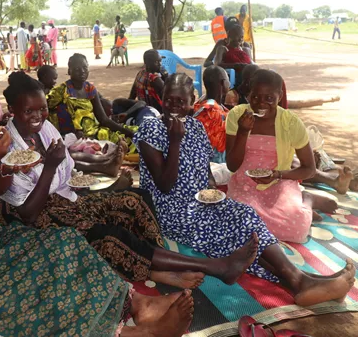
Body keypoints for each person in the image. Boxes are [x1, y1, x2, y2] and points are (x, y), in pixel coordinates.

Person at [0, 75, 196, 337]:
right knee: (25, 290)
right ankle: (130, 334)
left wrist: (1, 168)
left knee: (63, 243)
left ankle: (139, 304)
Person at [0, 71, 282, 289]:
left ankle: (160, 265)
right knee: (111, 236)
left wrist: (82, 181)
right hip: (43, 218)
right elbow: (26, 213)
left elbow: (68, 172)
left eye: (42, 109)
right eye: (29, 111)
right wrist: (50, 168)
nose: (38, 116)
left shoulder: (47, 129)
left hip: (70, 200)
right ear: (11, 108)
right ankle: (212, 266)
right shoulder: (6, 147)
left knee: (136, 201)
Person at [134, 72, 356, 307]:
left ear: (192, 100)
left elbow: (204, 171)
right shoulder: (151, 130)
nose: (174, 106)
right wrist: (175, 140)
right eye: (169, 100)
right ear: (162, 98)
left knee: (246, 215)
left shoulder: (197, 128)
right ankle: (301, 281)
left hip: (201, 202)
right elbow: (164, 185)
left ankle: (304, 280)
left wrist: (211, 188)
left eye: (181, 101)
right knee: (235, 234)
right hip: (170, 211)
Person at [226, 69, 341, 242]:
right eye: (255, 97)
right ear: (249, 95)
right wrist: (243, 132)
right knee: (238, 223)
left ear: (279, 96)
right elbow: (232, 166)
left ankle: (307, 200)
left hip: (281, 180)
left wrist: (278, 175)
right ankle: (300, 202)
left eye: (269, 98)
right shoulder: (236, 115)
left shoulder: (291, 122)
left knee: (296, 229)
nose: (261, 104)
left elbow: (309, 169)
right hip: (244, 182)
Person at [48, 53, 135, 147]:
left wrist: (128, 132)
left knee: (135, 133)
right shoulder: (61, 91)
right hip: (76, 139)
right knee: (124, 144)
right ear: (69, 71)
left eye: (85, 68)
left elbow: (103, 119)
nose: (82, 71)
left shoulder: (89, 89)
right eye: (77, 69)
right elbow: (45, 110)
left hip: (96, 133)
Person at [193, 66, 230, 163]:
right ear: (223, 83)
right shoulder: (214, 112)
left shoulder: (199, 104)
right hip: (214, 165)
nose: (229, 84)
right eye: (228, 81)